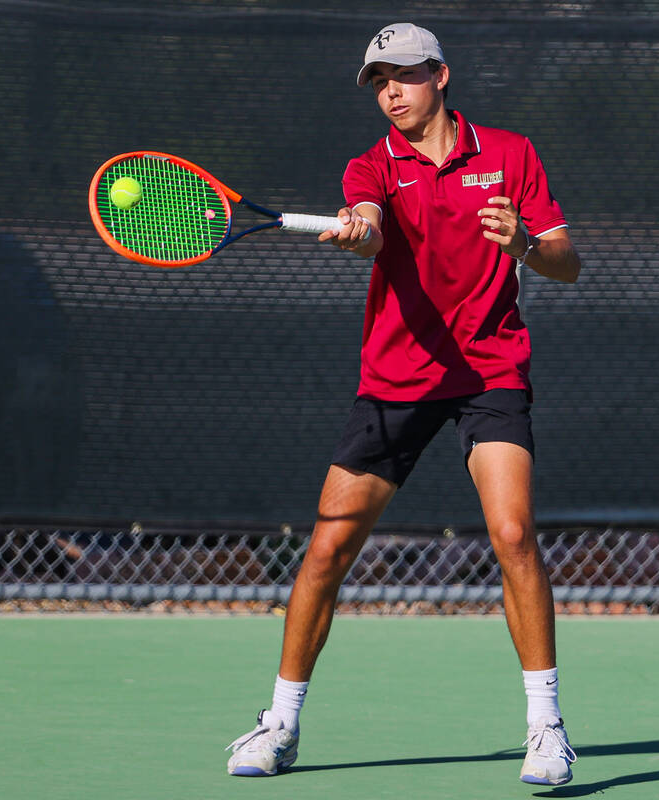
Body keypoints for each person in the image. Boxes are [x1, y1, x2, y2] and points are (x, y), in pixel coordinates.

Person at [225, 22, 582, 786]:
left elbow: (568, 264)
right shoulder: (371, 167)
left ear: (441, 76)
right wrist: (359, 234)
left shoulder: (512, 154)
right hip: (398, 376)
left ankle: (546, 728)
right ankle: (280, 723)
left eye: (405, 75)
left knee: (514, 533)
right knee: (328, 547)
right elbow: (370, 226)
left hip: (490, 369)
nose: (391, 91)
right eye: (378, 80)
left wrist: (522, 243)